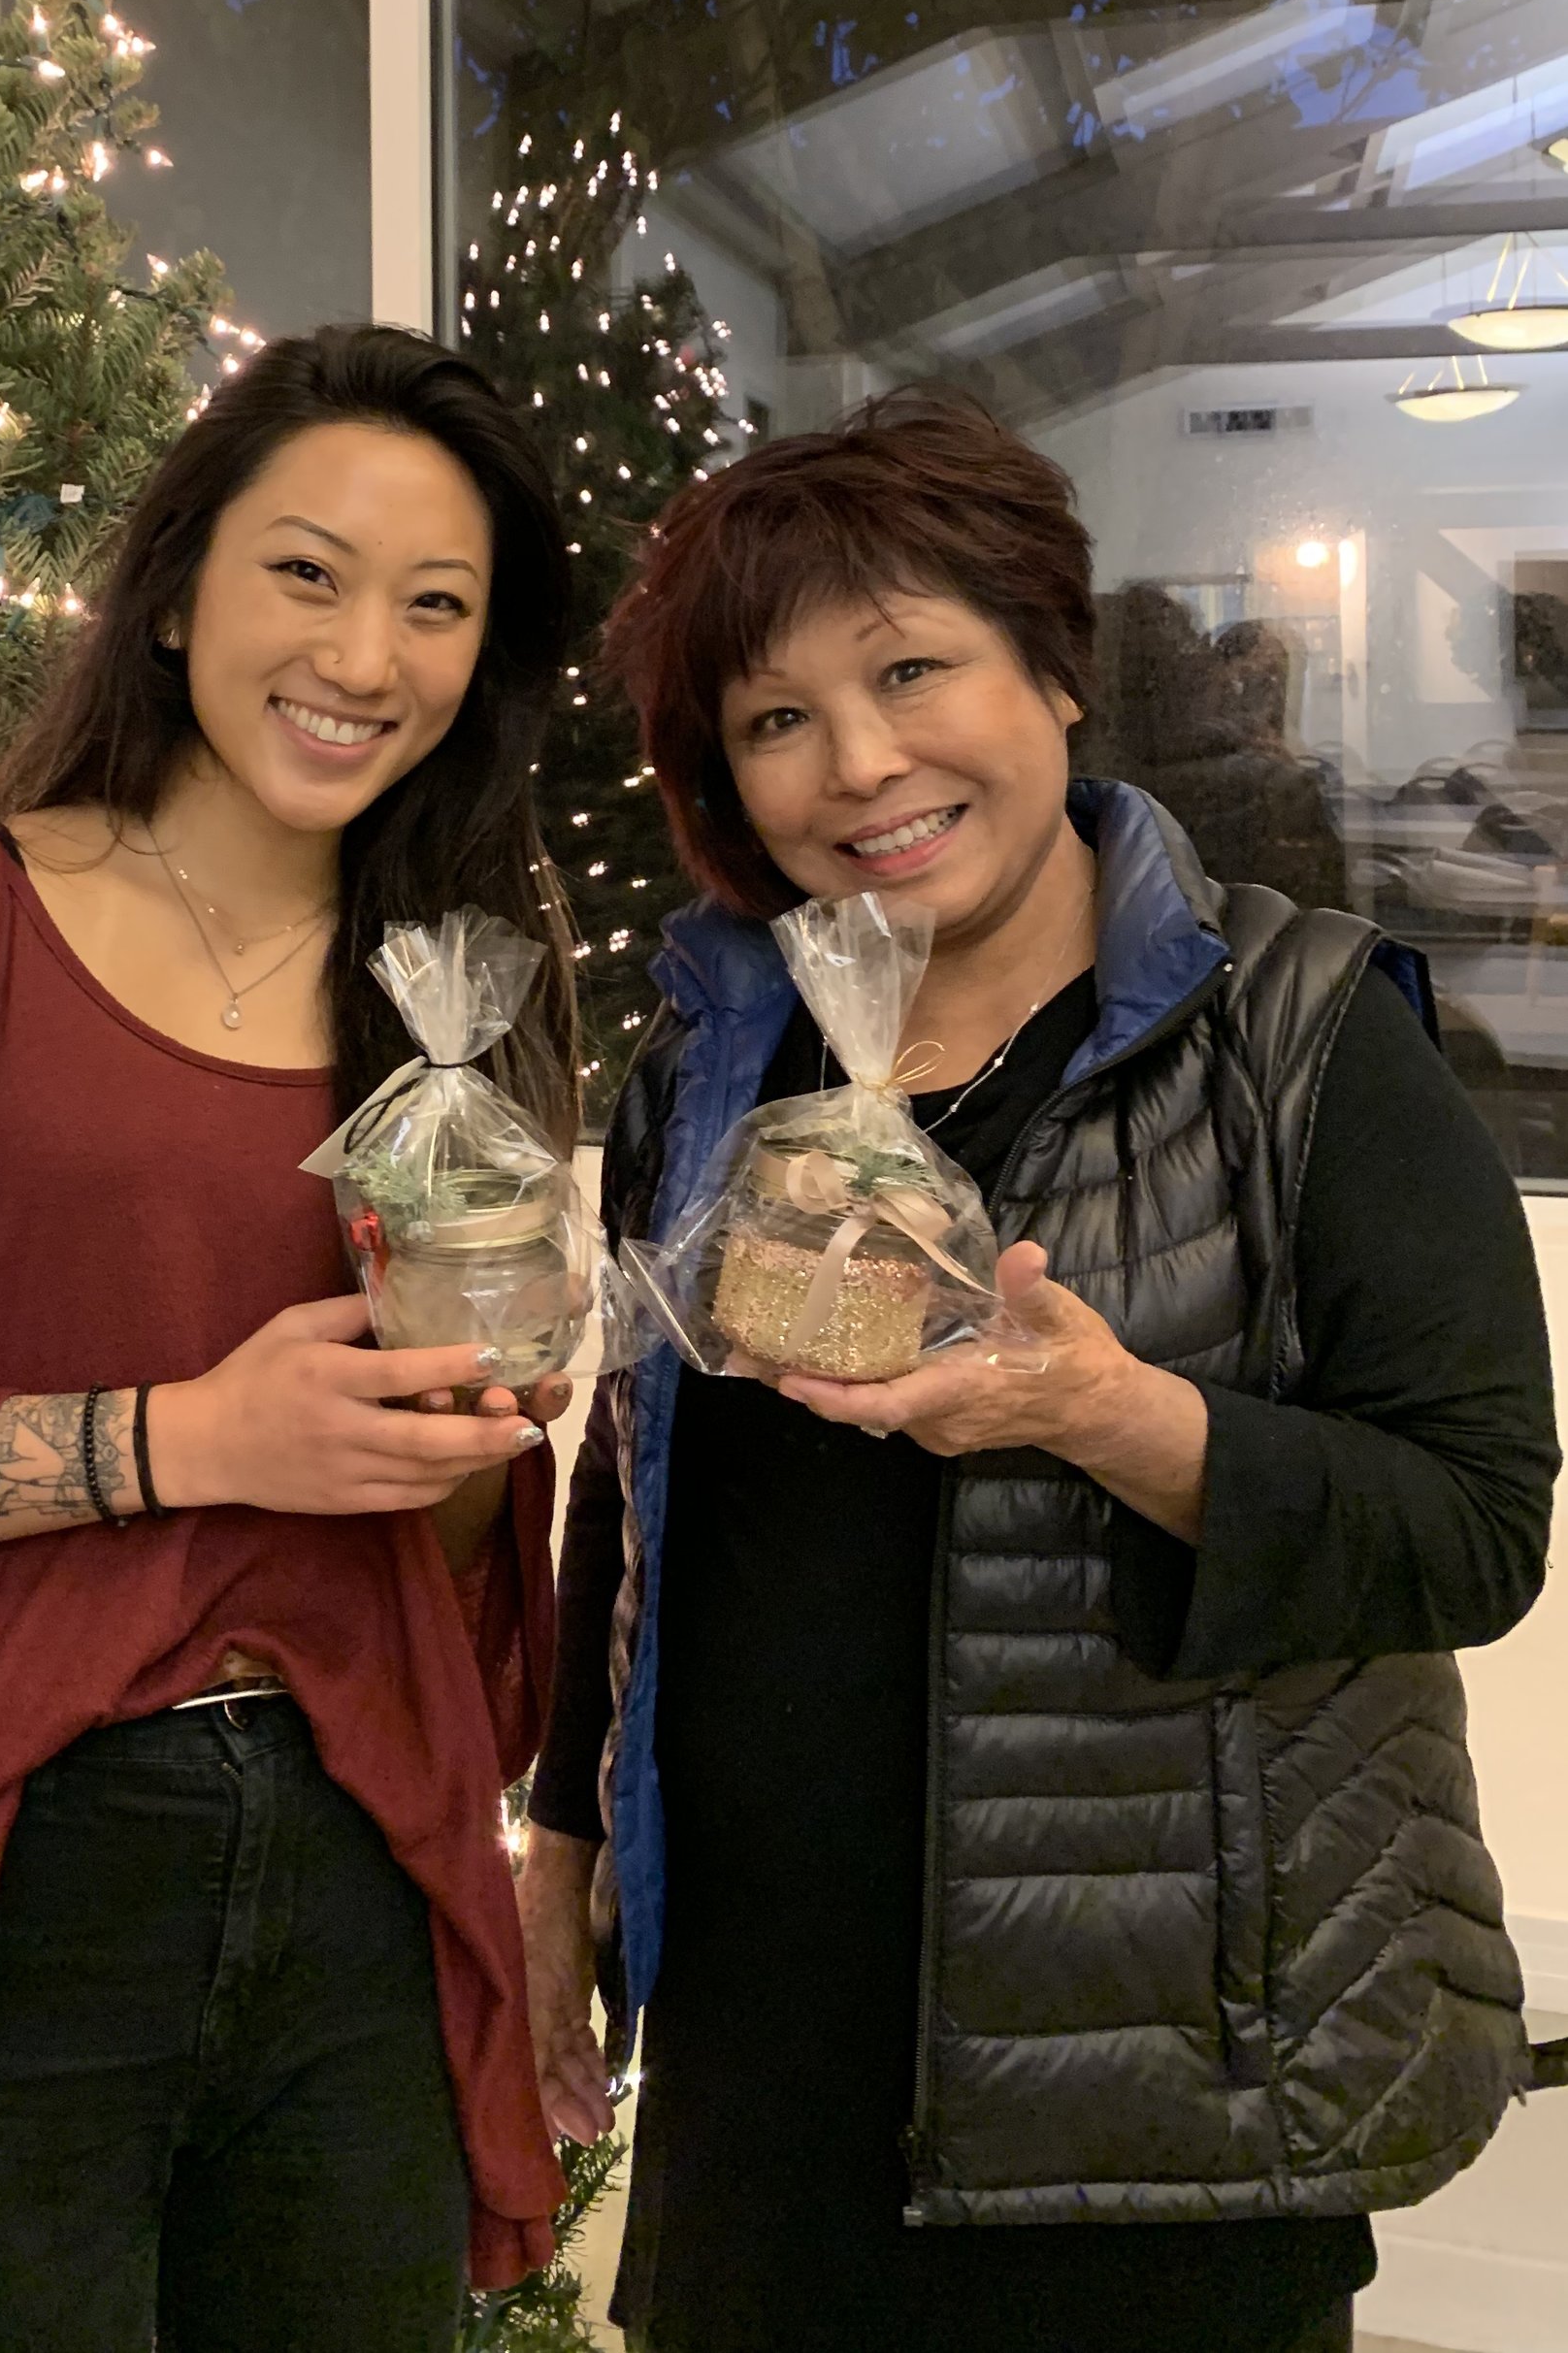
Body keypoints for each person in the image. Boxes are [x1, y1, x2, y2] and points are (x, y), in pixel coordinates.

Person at [520, 390, 1558, 2353]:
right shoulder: (714, 1063)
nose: (859, 762)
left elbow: (1470, 1525)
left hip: (1161, 2101)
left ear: (1051, 667)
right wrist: (559, 1843)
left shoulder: (1303, 1037)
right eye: (771, 718)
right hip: (762, 2092)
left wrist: (1104, 1411)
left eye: (910, 665)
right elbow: (631, 1487)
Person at [0, 325, 581, 2353]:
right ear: (174, 588)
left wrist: (476, 1423)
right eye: (305, 571)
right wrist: (188, 1435)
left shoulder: (460, 1002)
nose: (362, 653)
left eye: (434, 605)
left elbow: (451, 1571)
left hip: (358, 1863)